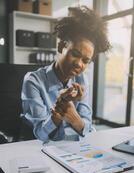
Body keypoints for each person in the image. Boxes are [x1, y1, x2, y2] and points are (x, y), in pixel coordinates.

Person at [21, 6, 110, 142]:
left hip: (72, 150)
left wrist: (74, 117)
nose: (79, 64)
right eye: (75, 54)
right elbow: (40, 134)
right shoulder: (33, 81)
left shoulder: (82, 80)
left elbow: (88, 129)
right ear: (61, 46)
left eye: (86, 61)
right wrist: (59, 111)